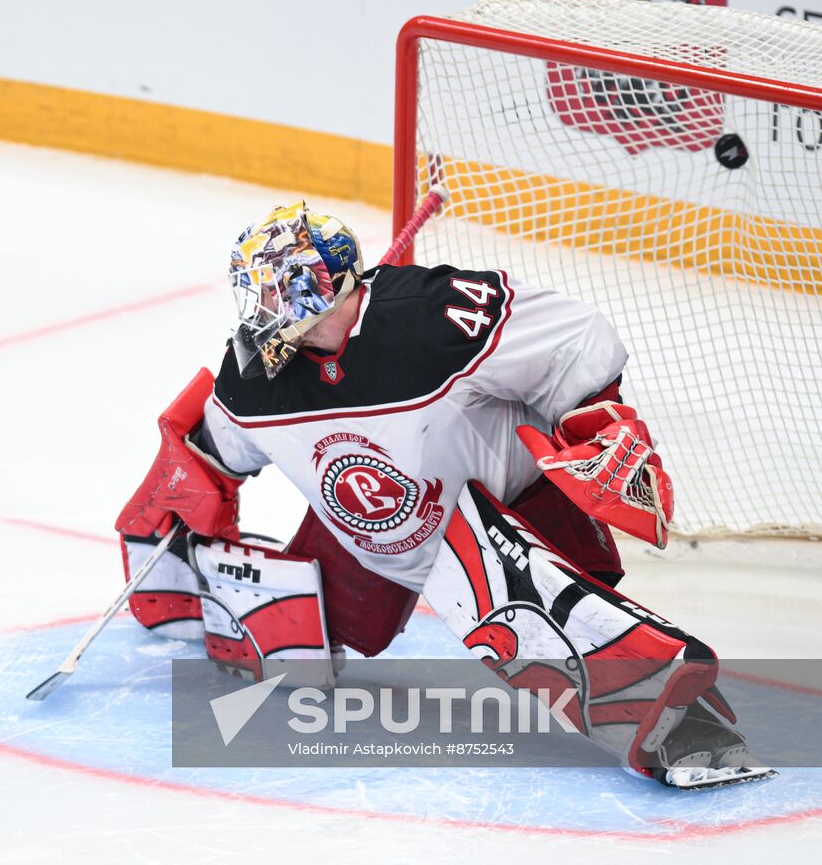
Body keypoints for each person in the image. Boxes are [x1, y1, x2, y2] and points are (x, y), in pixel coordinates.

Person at [116, 200, 770, 790]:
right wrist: (170, 520)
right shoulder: (254, 377)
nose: (266, 317)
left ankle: (679, 726)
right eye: (256, 298)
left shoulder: (430, 317)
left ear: (333, 285)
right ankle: (192, 596)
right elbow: (205, 455)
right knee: (291, 643)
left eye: (279, 296)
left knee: (528, 612)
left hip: (506, 503)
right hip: (369, 542)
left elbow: (577, 338)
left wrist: (597, 419)